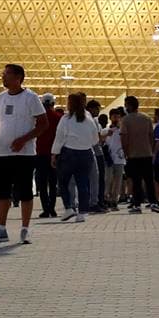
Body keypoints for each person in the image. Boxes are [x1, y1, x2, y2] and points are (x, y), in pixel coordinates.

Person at [0, 64, 42, 245]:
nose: (3, 77)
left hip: (25, 154)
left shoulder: (31, 98)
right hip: (3, 153)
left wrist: (23, 140)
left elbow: (43, 124)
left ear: (18, 77)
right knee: (2, 192)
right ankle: (1, 228)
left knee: (25, 191)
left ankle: (25, 229)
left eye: (6, 74)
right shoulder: (0, 98)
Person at [50, 92, 101, 223]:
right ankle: (82, 212)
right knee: (83, 183)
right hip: (86, 153)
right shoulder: (89, 118)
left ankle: (69, 207)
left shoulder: (66, 118)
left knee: (63, 182)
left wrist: (54, 154)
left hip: (69, 153)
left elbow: (59, 137)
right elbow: (95, 139)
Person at [120, 96, 158, 212]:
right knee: (149, 180)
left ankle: (137, 204)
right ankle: (153, 202)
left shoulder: (125, 120)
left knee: (136, 181)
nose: (125, 107)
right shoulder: (146, 118)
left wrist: (126, 152)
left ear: (129, 106)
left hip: (133, 155)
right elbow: (151, 136)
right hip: (147, 154)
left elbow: (124, 138)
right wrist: (150, 149)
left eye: (126, 105)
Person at [33, 94, 62, 219]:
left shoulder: (37, 118)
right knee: (53, 182)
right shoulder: (58, 117)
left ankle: (46, 209)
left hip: (40, 153)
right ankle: (52, 209)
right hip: (54, 154)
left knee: (42, 183)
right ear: (53, 104)